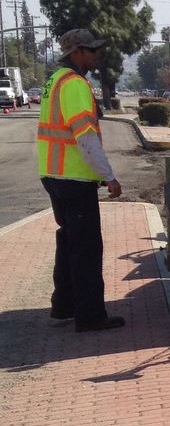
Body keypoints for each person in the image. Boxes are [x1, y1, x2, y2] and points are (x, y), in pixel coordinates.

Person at [36, 27, 124, 331]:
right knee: (86, 248)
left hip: (54, 175)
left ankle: (63, 306)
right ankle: (90, 316)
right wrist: (109, 176)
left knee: (68, 241)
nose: (96, 55)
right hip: (74, 179)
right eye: (91, 50)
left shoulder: (54, 81)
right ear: (76, 53)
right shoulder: (74, 85)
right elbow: (85, 137)